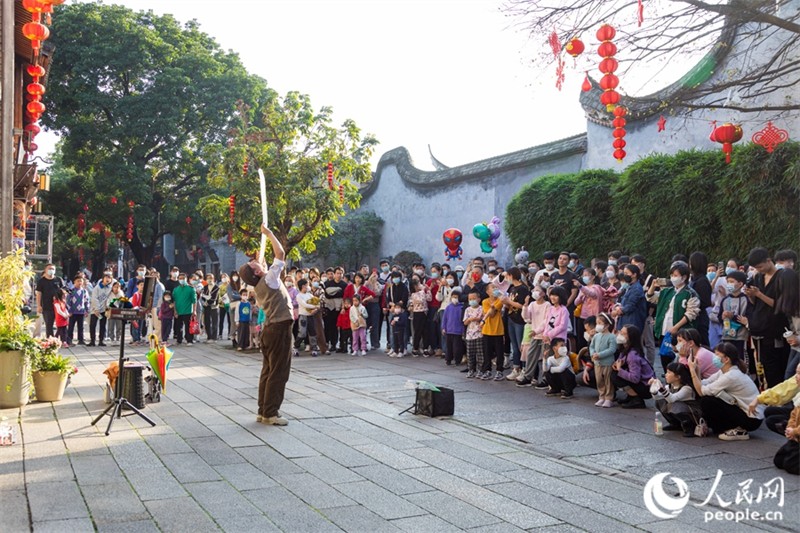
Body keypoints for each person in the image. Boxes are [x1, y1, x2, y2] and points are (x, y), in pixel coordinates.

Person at [238, 224, 294, 426]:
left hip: (270, 329)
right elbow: (280, 253)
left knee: (268, 371)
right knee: (279, 371)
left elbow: (265, 262)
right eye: (255, 264)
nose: (258, 261)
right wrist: (268, 234)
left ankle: (263, 410)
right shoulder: (269, 279)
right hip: (279, 328)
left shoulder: (259, 285)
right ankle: (271, 413)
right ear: (257, 272)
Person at [689, 341, 764, 440]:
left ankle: (738, 430)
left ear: (726, 359)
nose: (714, 358)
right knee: (711, 397)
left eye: (717, 355)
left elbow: (701, 392)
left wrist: (692, 371)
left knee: (707, 401)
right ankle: (723, 427)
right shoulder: (724, 371)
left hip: (751, 419)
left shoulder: (731, 376)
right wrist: (697, 370)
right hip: (745, 412)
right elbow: (704, 383)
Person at [745, 247, 790, 389]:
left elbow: (781, 306)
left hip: (776, 331)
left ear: (769, 261)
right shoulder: (758, 277)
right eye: (756, 268)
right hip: (759, 330)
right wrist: (751, 296)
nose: (759, 270)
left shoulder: (782, 277)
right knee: (764, 367)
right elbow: (756, 304)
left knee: (778, 367)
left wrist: (759, 295)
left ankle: (781, 402)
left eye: (760, 267)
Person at [649, 262, 700, 373]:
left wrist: (676, 327)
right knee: (665, 360)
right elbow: (651, 298)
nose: (673, 278)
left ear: (684, 277)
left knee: (680, 362)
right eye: (671, 275)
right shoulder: (667, 291)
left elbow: (691, 313)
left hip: (681, 333)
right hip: (664, 332)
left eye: (676, 275)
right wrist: (653, 286)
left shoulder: (690, 293)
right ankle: (669, 384)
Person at [649, 361, 702, 437]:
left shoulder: (687, 388)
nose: (666, 375)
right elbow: (658, 397)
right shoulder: (670, 386)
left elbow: (672, 399)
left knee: (674, 405)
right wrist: (654, 390)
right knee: (659, 402)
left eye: (669, 373)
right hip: (678, 408)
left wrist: (661, 389)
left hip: (691, 413)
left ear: (678, 377)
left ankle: (689, 427)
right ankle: (675, 423)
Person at [611, 325, 655, 409]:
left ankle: (636, 399)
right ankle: (630, 396)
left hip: (646, 386)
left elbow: (635, 378)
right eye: (621, 332)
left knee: (616, 376)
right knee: (614, 373)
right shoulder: (625, 349)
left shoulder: (633, 355)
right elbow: (621, 360)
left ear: (631, 337)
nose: (619, 334)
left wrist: (620, 369)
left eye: (623, 334)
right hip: (641, 383)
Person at [516, 285, 551, 387]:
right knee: (531, 355)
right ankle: (528, 376)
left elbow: (546, 320)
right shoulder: (532, 304)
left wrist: (537, 330)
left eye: (538, 290)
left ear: (543, 293)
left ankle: (546, 378)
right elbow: (526, 317)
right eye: (534, 290)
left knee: (545, 357)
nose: (535, 292)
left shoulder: (547, 305)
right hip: (534, 335)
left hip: (544, 335)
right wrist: (525, 306)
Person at [503, 267, 530, 381]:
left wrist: (509, 302)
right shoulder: (512, 288)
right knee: (514, 344)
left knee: (521, 345)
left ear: (511, 275)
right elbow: (511, 303)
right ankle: (516, 368)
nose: (506, 279)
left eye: (507, 276)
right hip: (511, 317)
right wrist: (506, 303)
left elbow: (521, 305)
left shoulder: (523, 289)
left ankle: (525, 369)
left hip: (519, 319)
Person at [718, 270, 749, 358]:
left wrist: (733, 316)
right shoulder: (725, 299)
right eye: (727, 282)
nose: (729, 284)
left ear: (740, 284)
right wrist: (722, 317)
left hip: (741, 336)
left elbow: (746, 317)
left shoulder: (745, 299)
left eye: (732, 282)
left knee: (740, 357)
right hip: (727, 335)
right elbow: (719, 317)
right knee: (727, 357)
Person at [590, 312, 618, 407]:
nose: (597, 325)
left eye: (600, 323)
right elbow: (591, 346)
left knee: (608, 381)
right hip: (597, 363)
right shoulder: (596, 336)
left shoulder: (612, 337)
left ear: (607, 325)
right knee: (599, 380)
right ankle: (601, 396)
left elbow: (612, 349)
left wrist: (600, 355)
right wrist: (593, 354)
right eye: (597, 323)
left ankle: (609, 398)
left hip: (607, 363)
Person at [480, 282, 505, 381]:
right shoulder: (485, 301)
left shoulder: (500, 300)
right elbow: (490, 314)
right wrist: (492, 308)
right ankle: (487, 370)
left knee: (499, 352)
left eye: (496, 288)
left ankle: (499, 370)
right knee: (487, 351)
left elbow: (494, 311)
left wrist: (493, 306)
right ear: (487, 291)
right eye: (492, 288)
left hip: (498, 329)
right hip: (487, 330)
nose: (495, 289)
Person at [574, 267, 603, 352]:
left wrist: (581, 287)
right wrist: (581, 297)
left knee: (591, 338)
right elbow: (576, 302)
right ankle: (581, 357)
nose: (584, 277)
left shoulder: (597, 287)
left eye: (587, 275)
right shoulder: (583, 288)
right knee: (581, 338)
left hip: (593, 317)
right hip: (582, 316)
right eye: (583, 275)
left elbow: (593, 294)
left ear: (593, 277)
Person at [689, 251, 713, 346]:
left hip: (699, 318)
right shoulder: (693, 279)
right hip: (693, 317)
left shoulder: (702, 281)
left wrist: (691, 303)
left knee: (702, 345)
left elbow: (705, 301)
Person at [35, 263, 64, 338]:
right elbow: (39, 293)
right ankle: (50, 341)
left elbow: (64, 291)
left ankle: (62, 339)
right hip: (47, 306)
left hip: (58, 306)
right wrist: (39, 305)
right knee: (49, 325)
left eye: (53, 269)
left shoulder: (59, 280)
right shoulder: (41, 281)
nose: (51, 270)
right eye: (49, 268)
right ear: (45, 270)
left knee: (61, 324)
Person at [323, 267, 348, 353]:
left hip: (341, 308)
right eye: (337, 273)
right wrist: (337, 292)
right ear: (334, 274)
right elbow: (327, 295)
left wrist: (334, 293)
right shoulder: (328, 283)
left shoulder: (344, 285)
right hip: (330, 308)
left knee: (342, 327)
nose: (339, 275)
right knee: (332, 326)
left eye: (341, 273)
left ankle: (342, 344)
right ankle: (333, 344)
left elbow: (344, 295)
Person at [463, 291, 484, 377]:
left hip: (479, 334)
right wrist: (470, 319)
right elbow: (465, 322)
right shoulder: (467, 310)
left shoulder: (482, 308)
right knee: (470, 353)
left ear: (479, 299)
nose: (472, 301)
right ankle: (471, 369)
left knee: (480, 353)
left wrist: (478, 319)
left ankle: (480, 369)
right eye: (470, 299)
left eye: (474, 299)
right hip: (469, 335)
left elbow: (482, 319)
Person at [88, 271, 113, 347]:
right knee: (92, 325)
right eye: (106, 277)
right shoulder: (97, 288)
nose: (108, 279)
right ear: (103, 279)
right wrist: (96, 309)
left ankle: (101, 340)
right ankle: (92, 340)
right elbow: (94, 298)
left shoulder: (110, 288)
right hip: (95, 310)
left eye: (110, 278)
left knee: (103, 325)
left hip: (104, 310)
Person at [172, 272, 197, 345]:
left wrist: (194, 311)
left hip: (188, 310)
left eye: (183, 278)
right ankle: (179, 340)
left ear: (186, 279)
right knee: (178, 326)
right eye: (180, 278)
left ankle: (189, 340)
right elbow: (174, 301)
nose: (181, 280)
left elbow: (194, 301)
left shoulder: (191, 289)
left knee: (188, 326)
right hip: (179, 310)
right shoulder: (176, 290)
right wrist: (175, 311)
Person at [409, 278, 432, 356]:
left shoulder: (423, 292)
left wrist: (428, 290)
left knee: (425, 331)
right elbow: (421, 300)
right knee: (417, 332)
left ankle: (425, 348)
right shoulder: (413, 294)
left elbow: (429, 298)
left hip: (425, 313)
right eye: (418, 284)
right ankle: (415, 348)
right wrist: (423, 290)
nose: (420, 285)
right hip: (417, 314)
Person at [441, 290, 465, 366]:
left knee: (457, 347)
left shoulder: (461, 308)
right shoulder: (448, 307)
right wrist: (443, 327)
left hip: (458, 331)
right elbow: (445, 319)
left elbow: (462, 320)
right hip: (449, 330)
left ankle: (457, 360)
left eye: (456, 297)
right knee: (449, 347)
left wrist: (463, 330)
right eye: (453, 297)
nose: (455, 298)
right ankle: (448, 359)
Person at [66, 275, 90, 346]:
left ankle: (81, 339)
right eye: (78, 281)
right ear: (74, 282)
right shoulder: (71, 291)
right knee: (71, 326)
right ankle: (69, 339)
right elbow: (68, 301)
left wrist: (86, 310)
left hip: (81, 311)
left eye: (81, 281)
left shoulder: (84, 291)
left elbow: (86, 301)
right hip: (73, 312)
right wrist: (69, 311)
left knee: (81, 326)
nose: (79, 283)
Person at [200, 273, 219, 342]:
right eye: (208, 278)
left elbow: (215, 297)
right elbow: (203, 296)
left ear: (213, 279)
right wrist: (205, 301)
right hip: (206, 307)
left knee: (214, 322)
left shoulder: (216, 287)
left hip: (214, 306)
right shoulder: (205, 287)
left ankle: (214, 337)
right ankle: (209, 336)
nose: (209, 279)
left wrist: (208, 302)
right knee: (207, 322)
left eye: (211, 278)